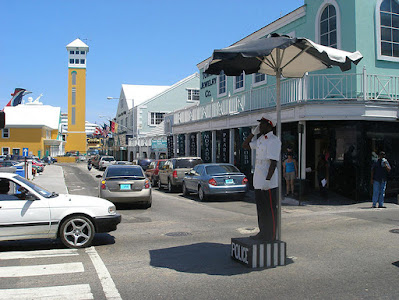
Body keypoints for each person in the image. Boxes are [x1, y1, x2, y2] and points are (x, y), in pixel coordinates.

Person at [242, 114, 281, 241]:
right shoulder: (260, 140)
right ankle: (263, 232)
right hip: (258, 181)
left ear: (269, 125)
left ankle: (271, 236)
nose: (260, 126)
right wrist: (252, 134)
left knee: (270, 210)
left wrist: (267, 180)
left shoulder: (274, 141)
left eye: (262, 124)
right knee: (261, 210)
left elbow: (273, 163)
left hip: (267, 182)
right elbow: (245, 145)